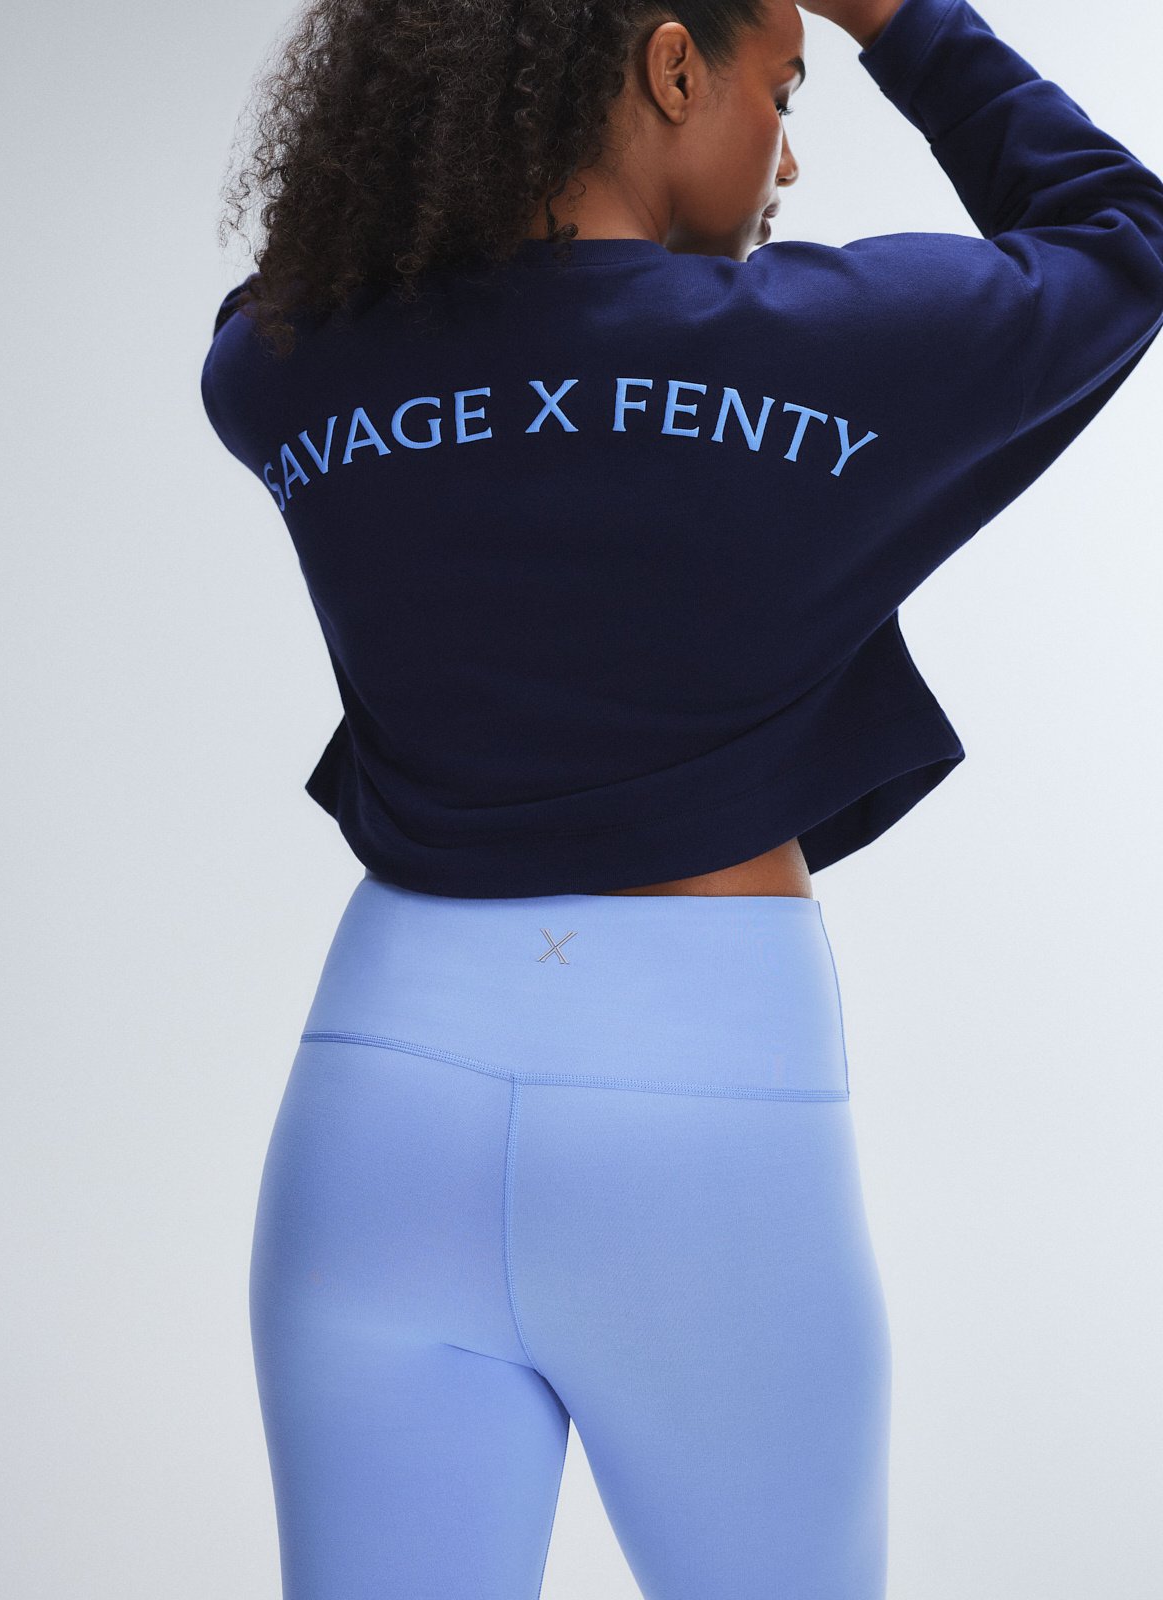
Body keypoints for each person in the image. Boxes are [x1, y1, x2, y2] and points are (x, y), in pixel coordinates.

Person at [199, 0, 1163, 1594]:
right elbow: (1123, 235)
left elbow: (282, 296)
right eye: (783, 91)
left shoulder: (288, 368)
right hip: (704, 1119)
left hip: (377, 1116)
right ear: (667, 65)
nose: (788, 158)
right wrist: (899, 18)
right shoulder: (826, 349)